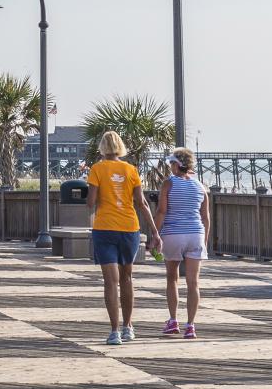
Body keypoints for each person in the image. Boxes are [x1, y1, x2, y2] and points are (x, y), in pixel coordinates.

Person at [86, 131, 160, 346]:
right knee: (127, 278)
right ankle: (128, 327)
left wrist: (98, 195)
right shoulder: (131, 170)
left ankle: (114, 331)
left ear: (102, 147)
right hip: (129, 228)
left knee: (110, 281)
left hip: (105, 227)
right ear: (120, 147)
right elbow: (142, 203)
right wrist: (155, 232)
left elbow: (90, 202)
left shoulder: (97, 169)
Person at [154, 147, 209, 339]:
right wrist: (205, 240)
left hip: (173, 234)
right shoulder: (200, 186)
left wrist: (155, 234)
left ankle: (173, 320)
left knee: (172, 278)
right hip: (196, 234)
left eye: (171, 164)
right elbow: (206, 217)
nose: (170, 167)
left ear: (178, 165)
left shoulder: (168, 184)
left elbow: (161, 211)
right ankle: (191, 325)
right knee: (193, 282)